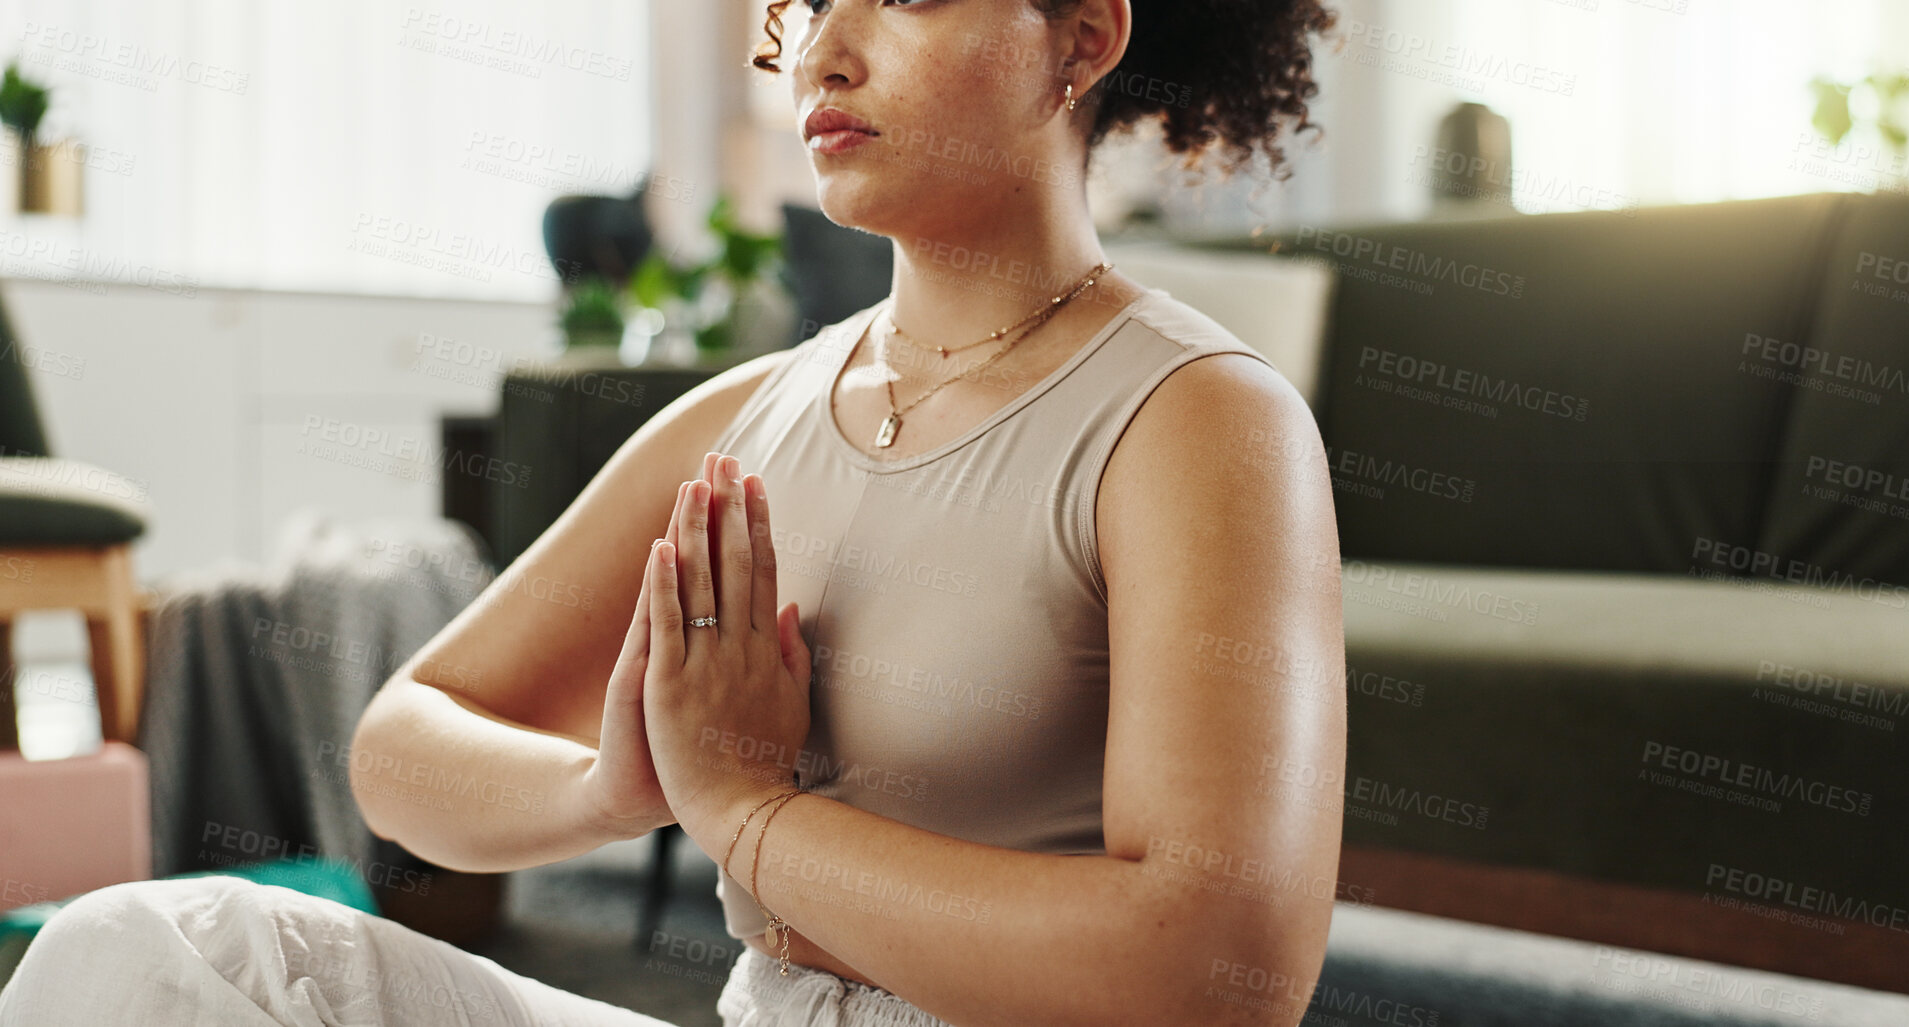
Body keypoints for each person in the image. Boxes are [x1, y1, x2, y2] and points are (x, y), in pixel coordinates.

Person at [0, 0, 1344, 1024]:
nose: (823, 52)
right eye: (814, 0)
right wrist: (614, 785)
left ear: (1085, 37)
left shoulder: (1200, 422)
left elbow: (1217, 970)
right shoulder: (747, 415)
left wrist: (748, 818)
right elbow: (399, 753)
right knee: (147, 951)